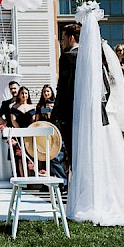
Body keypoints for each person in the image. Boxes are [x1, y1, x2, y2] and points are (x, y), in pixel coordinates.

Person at [53, 22, 80, 166]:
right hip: (88, 113)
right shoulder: (90, 56)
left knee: (71, 153)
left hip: (70, 114)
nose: (61, 42)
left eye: (63, 38)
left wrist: (57, 114)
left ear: (71, 38)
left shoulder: (67, 57)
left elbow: (63, 88)